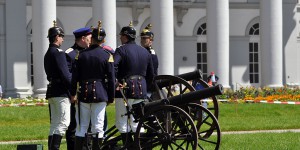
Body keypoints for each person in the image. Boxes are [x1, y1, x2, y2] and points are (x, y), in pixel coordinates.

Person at [70, 21, 115, 150]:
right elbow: (111, 79)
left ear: (92, 38)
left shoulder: (81, 55)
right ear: (103, 39)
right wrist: (110, 97)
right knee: (98, 127)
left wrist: (73, 93)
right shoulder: (107, 56)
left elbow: (74, 78)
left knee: (82, 126)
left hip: (83, 93)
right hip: (100, 93)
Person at [114, 21, 154, 148]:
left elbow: (113, 66)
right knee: (137, 121)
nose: (120, 38)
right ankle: (138, 146)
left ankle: (129, 146)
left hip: (124, 88)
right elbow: (151, 74)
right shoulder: (144, 52)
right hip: (140, 89)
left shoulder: (120, 50)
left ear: (126, 36)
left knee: (122, 121)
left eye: (121, 35)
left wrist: (115, 81)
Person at [44, 20, 73, 150]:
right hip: (61, 92)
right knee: (63, 123)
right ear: (57, 37)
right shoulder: (59, 53)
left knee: (55, 123)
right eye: (61, 37)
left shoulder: (48, 53)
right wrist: (72, 92)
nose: (62, 39)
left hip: (52, 90)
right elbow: (66, 75)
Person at [65, 27, 92, 150]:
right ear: (83, 38)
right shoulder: (70, 53)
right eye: (89, 38)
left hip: (88, 94)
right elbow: (69, 76)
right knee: (73, 126)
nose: (91, 41)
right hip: (75, 96)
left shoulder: (89, 52)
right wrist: (73, 93)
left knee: (89, 125)